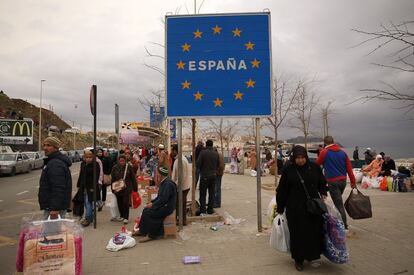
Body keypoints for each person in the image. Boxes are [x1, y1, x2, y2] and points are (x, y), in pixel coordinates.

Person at [276, 145, 328, 271]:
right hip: (295, 208)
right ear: (294, 158)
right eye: (298, 158)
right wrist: (280, 207)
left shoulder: (314, 167)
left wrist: (323, 192)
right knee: (297, 234)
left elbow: (321, 181)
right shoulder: (289, 170)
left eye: (303, 157)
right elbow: (282, 190)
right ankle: (298, 259)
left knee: (312, 232)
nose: (300, 160)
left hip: (312, 208)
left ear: (306, 157)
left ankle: (311, 255)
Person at [316, 136, 356, 230]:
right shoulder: (343, 153)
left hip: (332, 182)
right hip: (343, 181)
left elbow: (317, 164)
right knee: (338, 202)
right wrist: (353, 181)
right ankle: (338, 220)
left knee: (338, 204)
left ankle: (344, 225)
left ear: (325, 143)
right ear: (333, 142)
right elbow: (349, 168)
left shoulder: (324, 152)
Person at [136, 166, 177, 242]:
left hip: (167, 207)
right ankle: (142, 231)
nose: (155, 175)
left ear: (160, 175)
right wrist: (152, 202)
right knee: (145, 210)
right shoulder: (164, 182)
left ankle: (152, 235)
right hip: (164, 205)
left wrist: (153, 205)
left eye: (157, 174)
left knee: (150, 213)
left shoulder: (167, 184)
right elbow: (159, 197)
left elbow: (163, 199)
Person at [38, 137, 72, 219]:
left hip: (54, 208)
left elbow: (58, 187)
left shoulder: (55, 164)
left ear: (56, 148)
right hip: (53, 206)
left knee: (52, 231)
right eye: (44, 145)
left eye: (49, 145)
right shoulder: (52, 161)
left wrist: (55, 209)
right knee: (54, 230)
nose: (45, 148)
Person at [111, 155, 137, 224]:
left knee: (125, 202)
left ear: (125, 161)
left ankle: (126, 217)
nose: (122, 162)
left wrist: (135, 188)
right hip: (118, 188)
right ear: (118, 161)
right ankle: (122, 215)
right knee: (120, 203)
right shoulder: (115, 168)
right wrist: (112, 188)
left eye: (123, 161)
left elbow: (133, 178)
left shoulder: (129, 167)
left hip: (127, 188)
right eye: (120, 161)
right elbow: (113, 179)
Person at [76, 151, 100, 227]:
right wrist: (79, 185)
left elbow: (96, 176)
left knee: (88, 202)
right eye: (87, 157)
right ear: (84, 158)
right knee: (86, 203)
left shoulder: (95, 164)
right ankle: (91, 216)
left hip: (91, 187)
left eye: (90, 157)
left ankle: (87, 218)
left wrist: (93, 187)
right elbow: (81, 175)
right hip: (83, 186)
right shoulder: (83, 164)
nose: (88, 159)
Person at [196, 139, 219, 215]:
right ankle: (210, 209)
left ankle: (203, 209)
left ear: (206, 145)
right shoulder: (216, 153)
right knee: (211, 194)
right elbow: (218, 164)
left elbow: (198, 164)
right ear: (212, 145)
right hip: (213, 176)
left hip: (205, 176)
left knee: (203, 194)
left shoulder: (203, 153)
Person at [171, 145, 191, 225]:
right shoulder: (178, 159)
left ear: (175, 151)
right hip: (180, 186)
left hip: (182, 187)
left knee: (181, 205)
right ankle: (181, 220)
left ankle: (182, 221)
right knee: (179, 204)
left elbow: (182, 176)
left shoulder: (181, 160)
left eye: (172, 150)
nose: (171, 152)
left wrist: (174, 184)